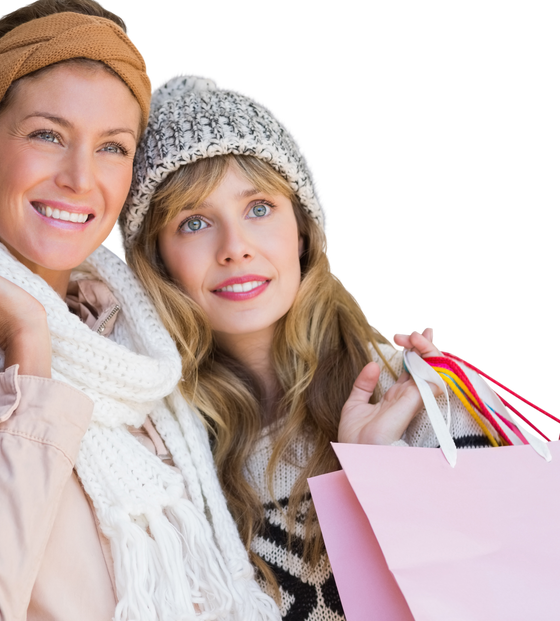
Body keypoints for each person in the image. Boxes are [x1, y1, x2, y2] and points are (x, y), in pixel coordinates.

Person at [0, 0, 280, 620]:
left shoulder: (132, 339)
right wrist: (25, 341)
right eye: (48, 135)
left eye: (112, 147)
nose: (81, 178)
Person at [118, 71, 497, 620]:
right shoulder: (158, 453)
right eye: (195, 222)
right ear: (156, 261)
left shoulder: (420, 394)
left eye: (258, 208)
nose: (235, 248)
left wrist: (378, 471)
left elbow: (498, 594)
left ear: (301, 228)